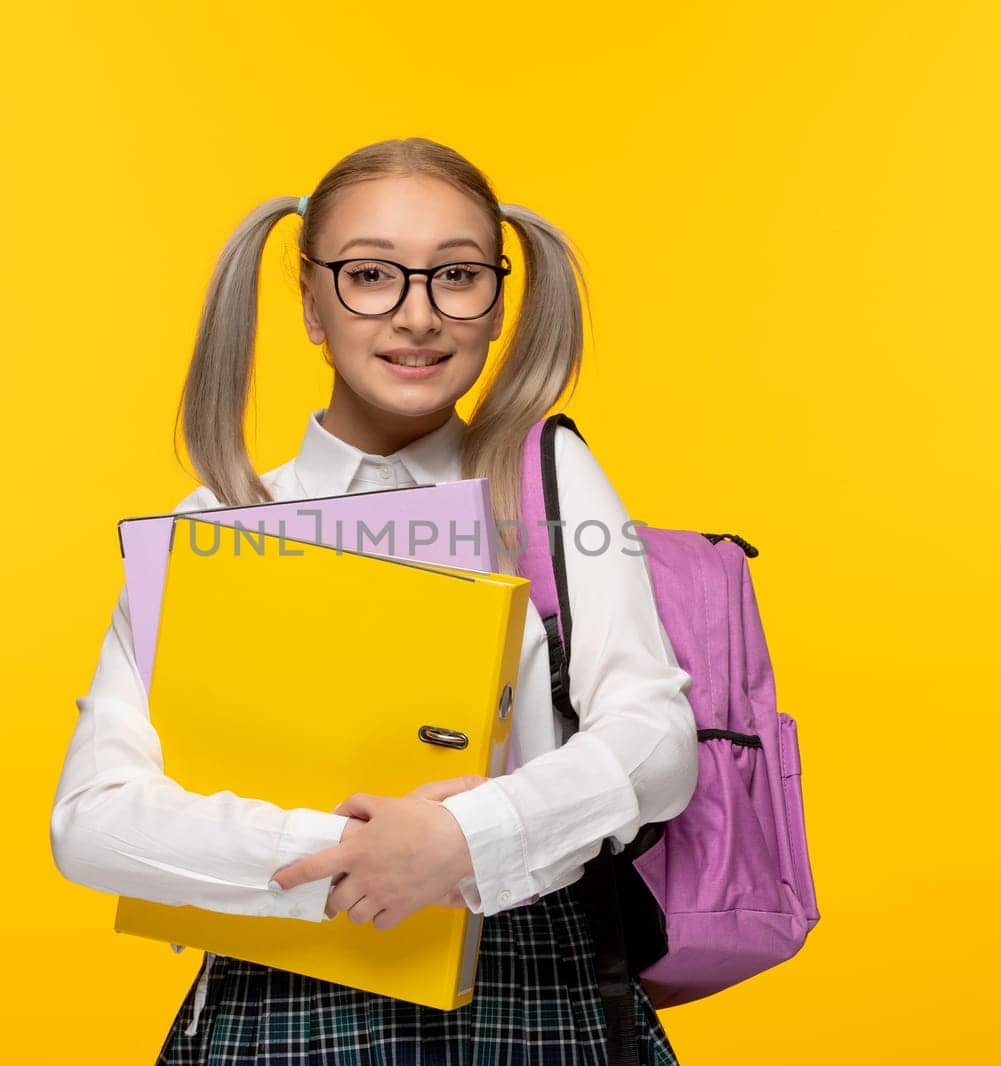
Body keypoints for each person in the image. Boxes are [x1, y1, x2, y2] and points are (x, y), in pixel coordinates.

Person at [50, 136, 699, 1064]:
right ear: (311, 302)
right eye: (369, 275)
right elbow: (95, 820)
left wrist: (463, 840)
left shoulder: (547, 484)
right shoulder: (219, 523)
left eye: (457, 276)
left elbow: (657, 743)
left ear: (498, 301)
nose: (418, 316)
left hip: (528, 997)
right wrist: (363, 859)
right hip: (275, 1007)